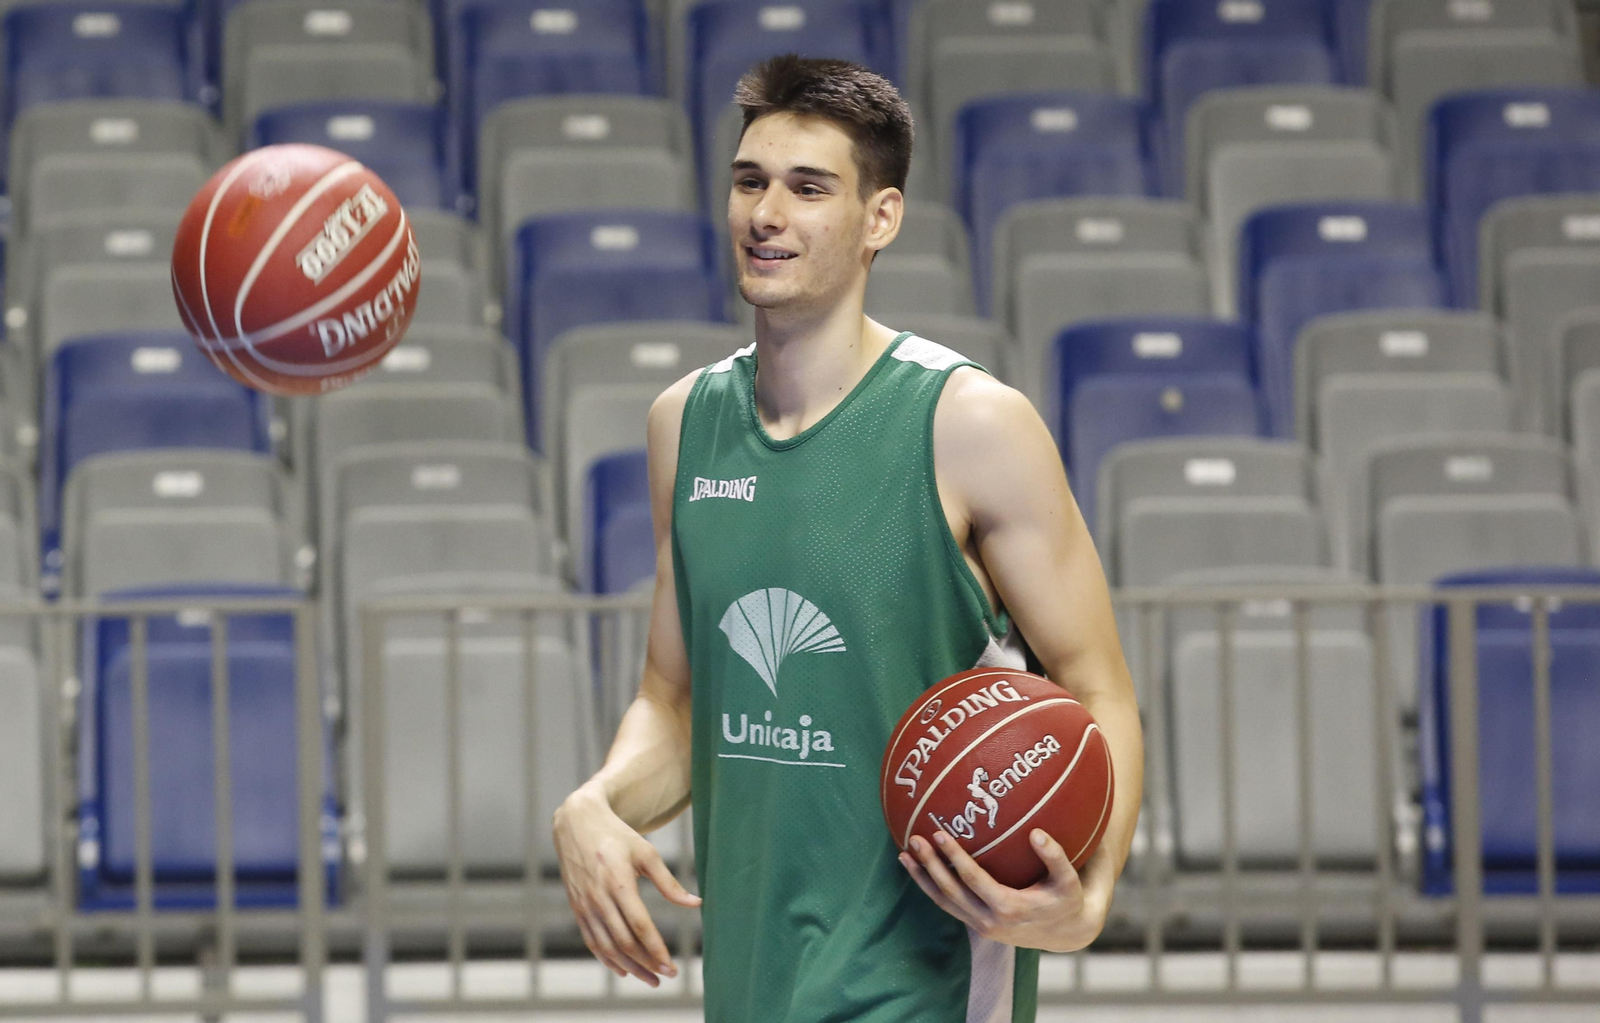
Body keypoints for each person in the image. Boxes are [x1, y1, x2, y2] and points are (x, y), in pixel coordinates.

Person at [552, 54, 1144, 1022]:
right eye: (749, 181)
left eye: (808, 187)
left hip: (924, 986)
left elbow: (1098, 686)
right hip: (750, 982)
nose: (765, 214)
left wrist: (1094, 894)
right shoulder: (683, 425)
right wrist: (597, 802)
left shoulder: (971, 426)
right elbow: (675, 702)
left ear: (881, 218)